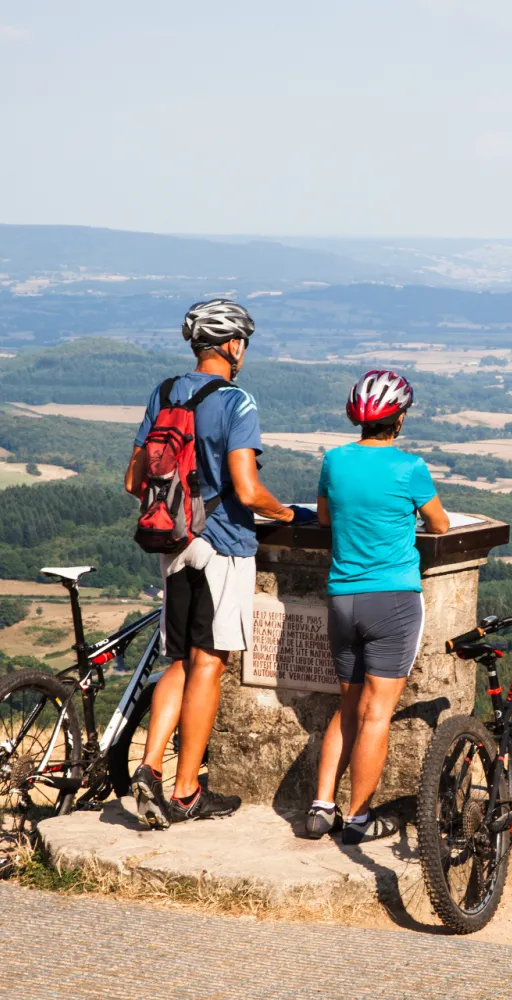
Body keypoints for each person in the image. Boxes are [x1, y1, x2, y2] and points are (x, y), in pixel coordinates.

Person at [125, 299, 314, 829]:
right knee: (210, 663)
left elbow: (133, 480)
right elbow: (248, 490)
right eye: (243, 343)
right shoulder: (237, 401)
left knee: (180, 661)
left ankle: (147, 767)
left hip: (174, 543)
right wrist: (289, 514)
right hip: (224, 545)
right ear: (232, 345)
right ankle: (185, 792)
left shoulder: (165, 392)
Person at [306, 369, 450, 845]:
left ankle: (321, 806)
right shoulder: (410, 469)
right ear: (400, 419)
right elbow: (441, 525)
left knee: (347, 706)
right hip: (393, 601)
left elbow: (325, 518)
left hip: (342, 600)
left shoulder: (335, 462)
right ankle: (360, 819)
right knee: (376, 715)